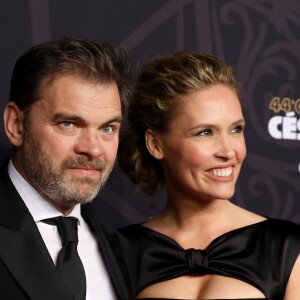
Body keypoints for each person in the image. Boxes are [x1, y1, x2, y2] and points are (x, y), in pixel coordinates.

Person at [118, 51, 300, 299]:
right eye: (204, 133)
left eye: (236, 129)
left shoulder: (287, 249)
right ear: (156, 144)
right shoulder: (119, 252)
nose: (228, 151)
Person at [1, 37, 134, 300]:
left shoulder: (127, 252)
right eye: (69, 124)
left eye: (107, 128)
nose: (93, 149)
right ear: (16, 124)